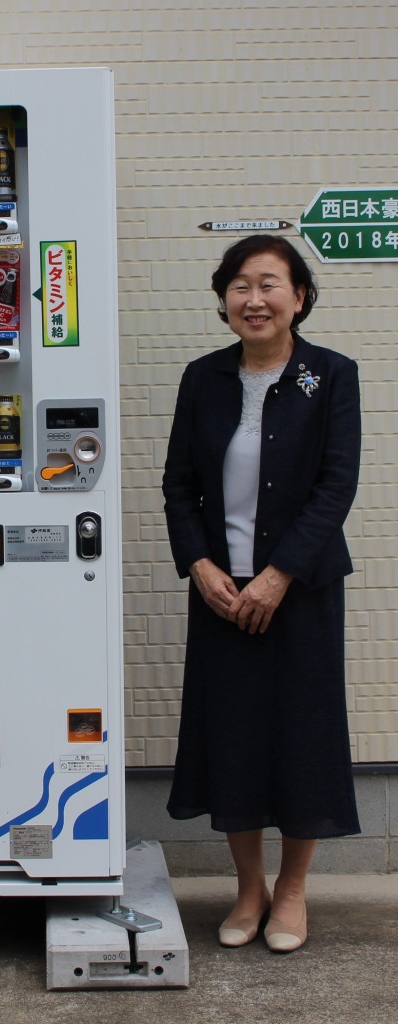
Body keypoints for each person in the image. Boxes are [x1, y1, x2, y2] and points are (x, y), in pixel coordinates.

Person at [162, 235, 360, 955]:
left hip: (301, 591)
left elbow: (336, 484)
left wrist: (279, 575)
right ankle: (249, 889)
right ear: (223, 300)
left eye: (270, 284)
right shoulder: (203, 378)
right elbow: (179, 485)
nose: (255, 299)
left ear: (298, 297)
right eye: (240, 285)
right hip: (221, 595)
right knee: (235, 739)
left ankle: (294, 891)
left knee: (303, 737)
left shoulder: (331, 375)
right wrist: (199, 564)